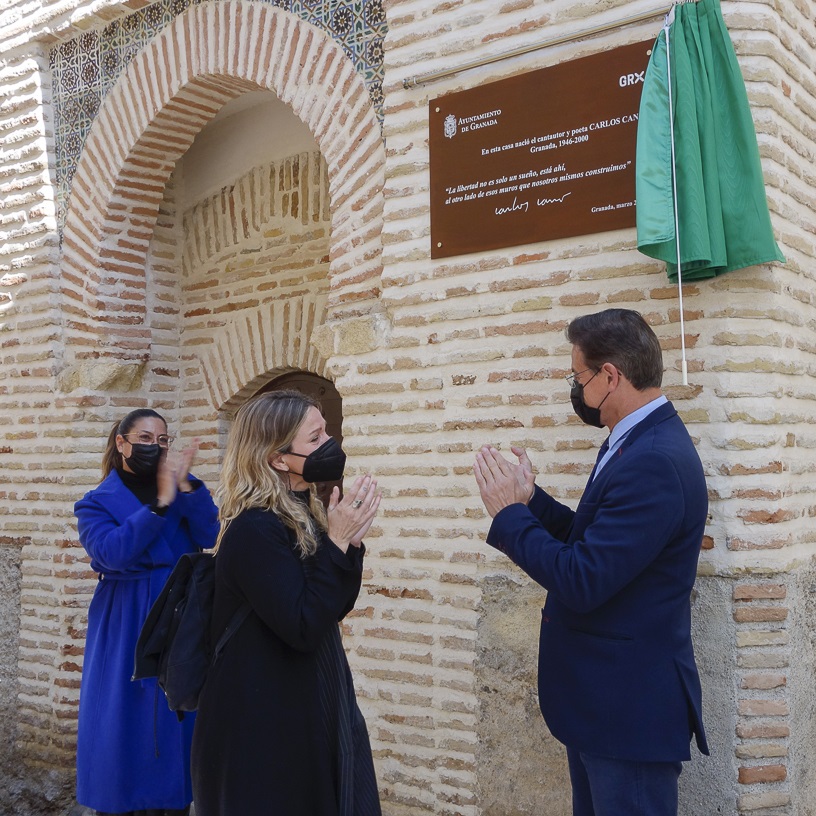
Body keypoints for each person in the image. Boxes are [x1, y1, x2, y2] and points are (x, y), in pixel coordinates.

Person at [473, 308, 709, 816]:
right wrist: (532, 500)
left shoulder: (654, 460)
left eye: (578, 376)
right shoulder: (633, 441)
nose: (575, 389)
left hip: (627, 712)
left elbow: (582, 579)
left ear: (610, 376)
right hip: (604, 706)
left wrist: (511, 518)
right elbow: (595, 542)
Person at [191, 390, 383, 816]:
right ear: (278, 459)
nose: (329, 445)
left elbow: (332, 607)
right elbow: (302, 625)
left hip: (302, 701)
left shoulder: (300, 510)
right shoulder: (253, 530)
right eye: (315, 439)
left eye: (326, 432)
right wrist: (335, 544)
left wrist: (346, 545)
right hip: (260, 721)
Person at [74, 408, 219, 816]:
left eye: (162, 440)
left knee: (176, 706)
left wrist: (185, 485)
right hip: (127, 616)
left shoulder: (183, 489)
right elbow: (111, 553)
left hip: (180, 612)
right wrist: (158, 506)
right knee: (124, 712)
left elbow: (209, 533)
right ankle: (117, 801)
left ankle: (172, 801)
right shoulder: (95, 503)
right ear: (121, 443)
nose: (154, 447)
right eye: (144, 439)